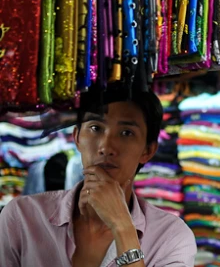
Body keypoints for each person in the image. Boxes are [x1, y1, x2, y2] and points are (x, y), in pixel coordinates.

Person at [0, 83, 197, 266]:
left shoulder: (171, 237)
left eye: (126, 133)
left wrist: (122, 227)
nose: (105, 147)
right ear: (77, 138)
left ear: (147, 151)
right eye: (95, 128)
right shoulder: (22, 217)